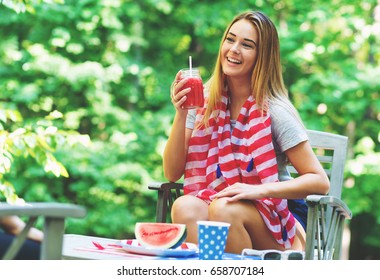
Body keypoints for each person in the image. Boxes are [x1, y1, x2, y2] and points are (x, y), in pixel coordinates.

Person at [163, 10, 330, 254]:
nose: (234, 49)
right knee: (184, 206)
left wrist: (255, 190)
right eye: (230, 40)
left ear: (262, 56)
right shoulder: (202, 101)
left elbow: (319, 181)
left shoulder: (275, 111)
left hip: (283, 220)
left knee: (223, 208)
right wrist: (180, 114)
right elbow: (171, 172)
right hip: (225, 203)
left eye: (247, 45)